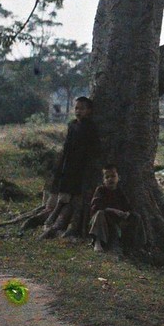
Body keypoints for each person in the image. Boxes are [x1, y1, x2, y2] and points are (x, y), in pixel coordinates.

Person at [42, 96, 99, 238]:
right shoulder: (72, 125)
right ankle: (52, 216)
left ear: (89, 111)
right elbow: (67, 144)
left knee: (73, 193)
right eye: (77, 108)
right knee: (64, 190)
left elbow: (93, 147)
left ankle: (56, 218)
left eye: (82, 108)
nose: (78, 111)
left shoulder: (90, 127)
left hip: (81, 165)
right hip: (69, 162)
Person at [87, 164, 131, 254]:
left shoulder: (119, 192)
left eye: (113, 176)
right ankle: (97, 242)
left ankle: (134, 245)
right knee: (100, 213)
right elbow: (96, 205)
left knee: (135, 217)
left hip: (113, 221)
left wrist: (126, 213)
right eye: (107, 177)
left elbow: (127, 206)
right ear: (103, 180)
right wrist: (112, 210)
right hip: (99, 220)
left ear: (118, 178)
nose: (110, 179)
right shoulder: (100, 190)